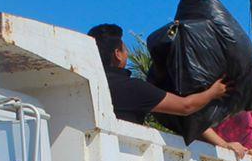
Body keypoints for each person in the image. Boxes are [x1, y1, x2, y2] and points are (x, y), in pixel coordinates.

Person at [86, 24, 228, 124]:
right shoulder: (132, 87)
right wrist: (213, 92)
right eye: (125, 49)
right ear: (118, 54)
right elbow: (185, 106)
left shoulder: (88, 85)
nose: (127, 53)